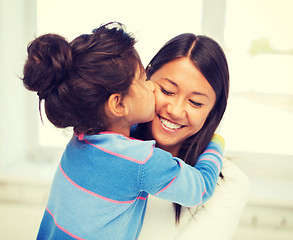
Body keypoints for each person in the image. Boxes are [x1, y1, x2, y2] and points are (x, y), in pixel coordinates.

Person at [22, 23, 225, 240]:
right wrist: (216, 143)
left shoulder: (81, 136)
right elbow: (200, 188)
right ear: (118, 105)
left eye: (195, 102)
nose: (151, 87)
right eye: (144, 81)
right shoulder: (142, 160)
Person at [131, 33, 250, 239]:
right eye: (167, 91)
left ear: (213, 110)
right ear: (145, 78)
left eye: (195, 103)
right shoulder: (105, 145)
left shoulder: (228, 184)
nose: (176, 111)